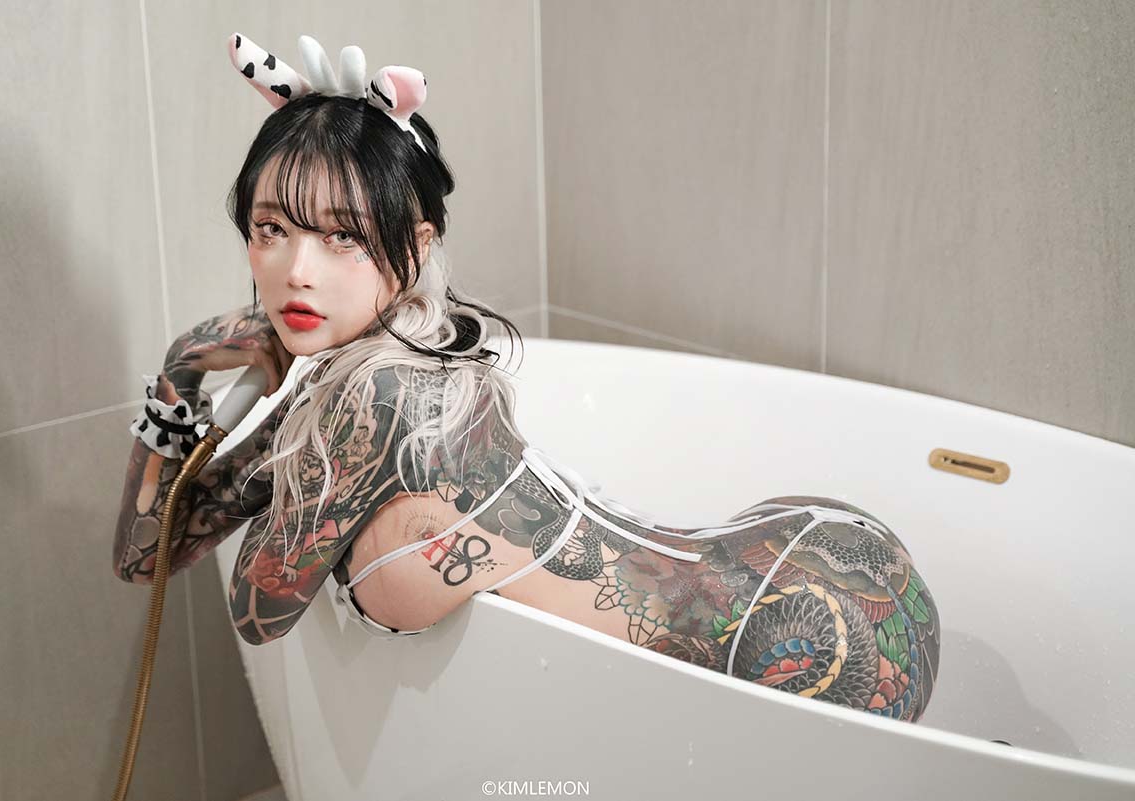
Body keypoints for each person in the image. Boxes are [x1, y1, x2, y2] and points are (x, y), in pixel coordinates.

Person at [113, 32, 940, 723]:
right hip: (802, 564)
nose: (297, 269)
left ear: (416, 246)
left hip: (810, 637)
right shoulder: (358, 380)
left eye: (343, 237)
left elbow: (258, 610)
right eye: (271, 228)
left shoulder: (381, 398)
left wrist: (246, 386)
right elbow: (147, 554)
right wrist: (182, 369)